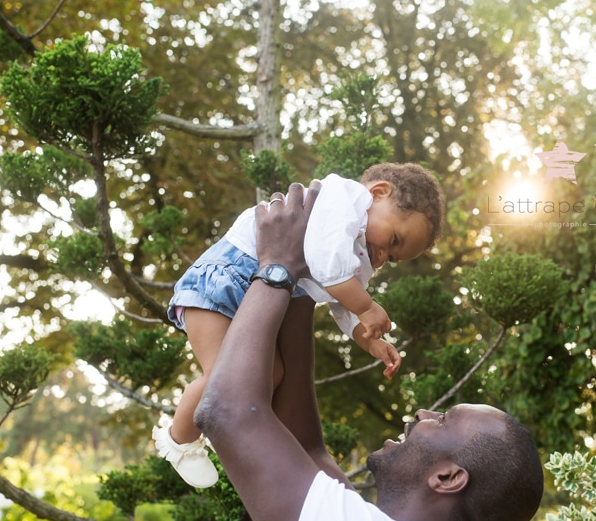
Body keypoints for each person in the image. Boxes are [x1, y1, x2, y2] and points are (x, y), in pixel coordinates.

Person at [194, 181, 545, 521]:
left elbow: (226, 410)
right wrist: (306, 269)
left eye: (444, 420)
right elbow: (308, 448)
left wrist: (276, 266)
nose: (424, 413)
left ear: (447, 478)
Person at [154, 163, 445, 488]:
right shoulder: (344, 198)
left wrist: (370, 340)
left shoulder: (359, 252)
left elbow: (343, 303)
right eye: (393, 239)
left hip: (254, 296)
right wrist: (368, 306)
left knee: (270, 376)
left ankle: (216, 437)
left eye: (393, 257)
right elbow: (330, 269)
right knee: (224, 376)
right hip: (224, 277)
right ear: (378, 193)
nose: (384, 254)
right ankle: (178, 439)